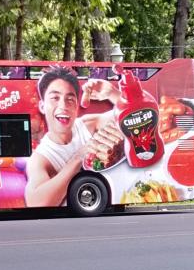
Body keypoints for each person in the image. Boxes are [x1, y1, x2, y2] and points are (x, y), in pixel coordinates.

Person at [25, 67, 125, 208]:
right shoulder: (41, 158)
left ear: (77, 107)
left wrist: (114, 94)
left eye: (70, 99)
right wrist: (79, 157)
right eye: (55, 98)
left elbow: (142, 116)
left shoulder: (89, 125)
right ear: (42, 106)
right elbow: (36, 203)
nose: (63, 106)